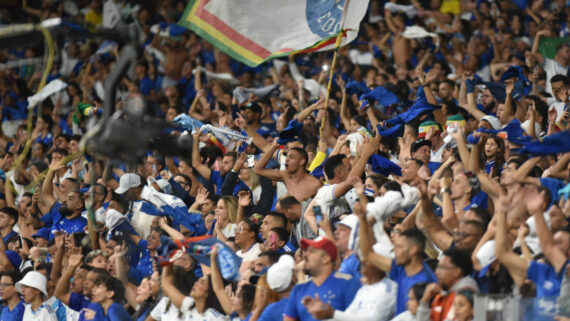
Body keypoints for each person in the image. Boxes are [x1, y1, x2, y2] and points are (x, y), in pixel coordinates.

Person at [283, 236, 361, 321]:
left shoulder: (349, 284)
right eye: (306, 251)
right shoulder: (299, 289)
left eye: (311, 251)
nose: (305, 255)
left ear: (325, 258)